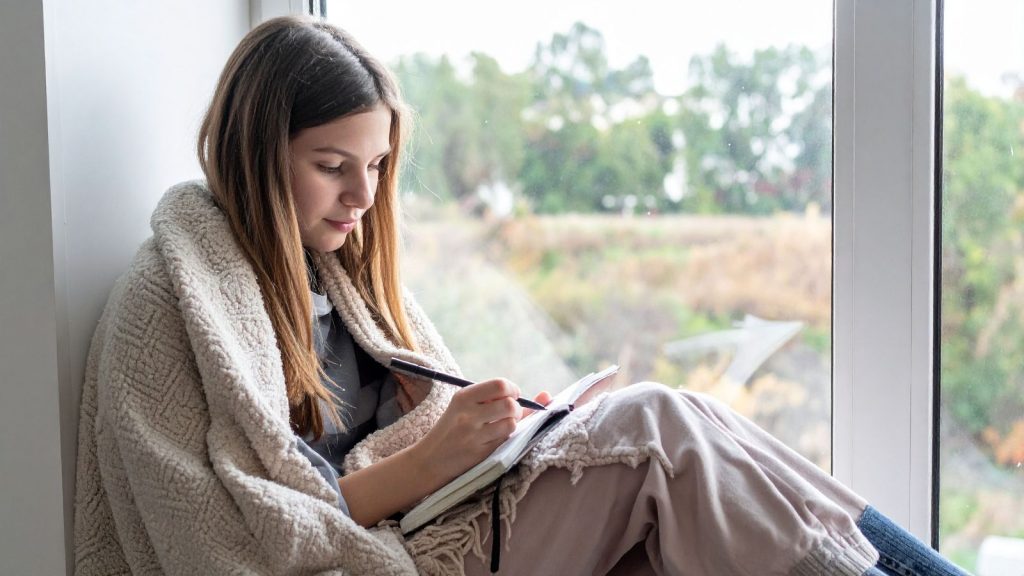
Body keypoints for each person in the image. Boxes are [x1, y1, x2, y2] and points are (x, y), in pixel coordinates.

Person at [72, 15, 968, 576]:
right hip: (384, 558)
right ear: (254, 148)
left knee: (689, 431)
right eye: (333, 165)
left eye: (377, 166)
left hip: (432, 529)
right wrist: (436, 461)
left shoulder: (333, 277)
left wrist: (502, 439)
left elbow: (405, 436)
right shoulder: (169, 304)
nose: (363, 195)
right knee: (662, 431)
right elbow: (225, 538)